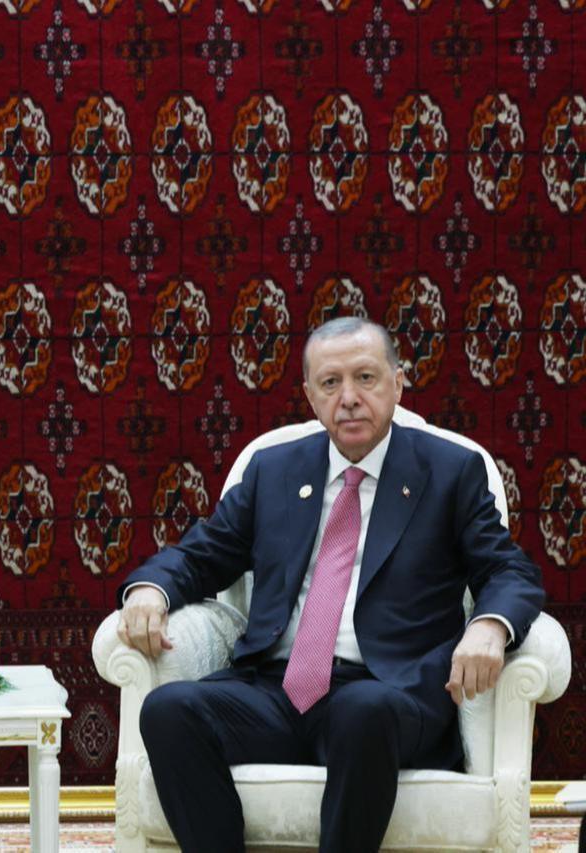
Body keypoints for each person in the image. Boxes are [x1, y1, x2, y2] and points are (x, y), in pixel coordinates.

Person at [116, 317, 544, 852]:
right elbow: (202, 556)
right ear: (310, 397)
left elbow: (509, 570)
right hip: (277, 691)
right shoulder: (273, 470)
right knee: (167, 710)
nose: (349, 398)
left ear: (397, 382)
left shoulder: (449, 471)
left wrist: (488, 626)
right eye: (330, 383)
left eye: (365, 378)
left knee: (359, 710)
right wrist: (150, 590)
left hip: (388, 695)